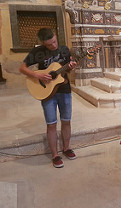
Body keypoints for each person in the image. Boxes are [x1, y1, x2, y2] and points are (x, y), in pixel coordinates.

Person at [19, 28, 77, 168]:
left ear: (56, 36)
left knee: (66, 121)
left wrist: (72, 66)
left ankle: (66, 148)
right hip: (46, 93)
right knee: (51, 124)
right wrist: (37, 75)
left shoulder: (63, 49)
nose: (54, 46)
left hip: (64, 90)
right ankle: (55, 155)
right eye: (50, 44)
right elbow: (22, 68)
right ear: (43, 43)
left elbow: (67, 69)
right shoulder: (37, 52)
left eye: (54, 42)